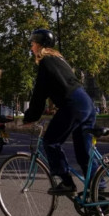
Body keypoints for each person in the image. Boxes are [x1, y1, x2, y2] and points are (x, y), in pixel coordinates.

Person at [22, 29, 99, 195]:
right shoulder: (59, 59)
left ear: (39, 45)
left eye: (33, 43)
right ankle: (97, 191)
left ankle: (66, 182)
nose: (31, 46)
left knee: (50, 142)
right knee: (84, 152)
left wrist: (30, 117)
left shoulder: (46, 62)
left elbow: (39, 93)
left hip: (73, 104)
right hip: (86, 103)